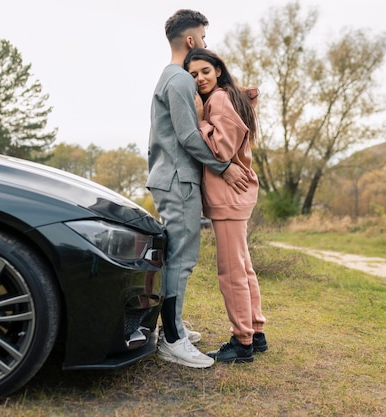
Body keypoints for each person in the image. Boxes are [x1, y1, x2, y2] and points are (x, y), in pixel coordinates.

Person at [146, 9, 251, 368]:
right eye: (203, 38)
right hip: (178, 180)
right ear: (190, 41)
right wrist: (223, 165)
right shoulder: (179, 81)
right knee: (182, 259)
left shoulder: (173, 78)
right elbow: (189, 135)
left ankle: (173, 326)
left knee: (177, 256)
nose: (206, 44)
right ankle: (173, 341)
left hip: (175, 177)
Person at [184, 48, 268, 363]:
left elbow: (221, 149)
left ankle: (242, 341)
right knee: (243, 267)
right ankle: (255, 333)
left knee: (230, 271)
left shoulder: (218, 100)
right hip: (235, 196)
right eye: (193, 75)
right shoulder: (228, 96)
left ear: (218, 69)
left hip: (228, 196)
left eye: (205, 70)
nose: (200, 78)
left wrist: (200, 119)